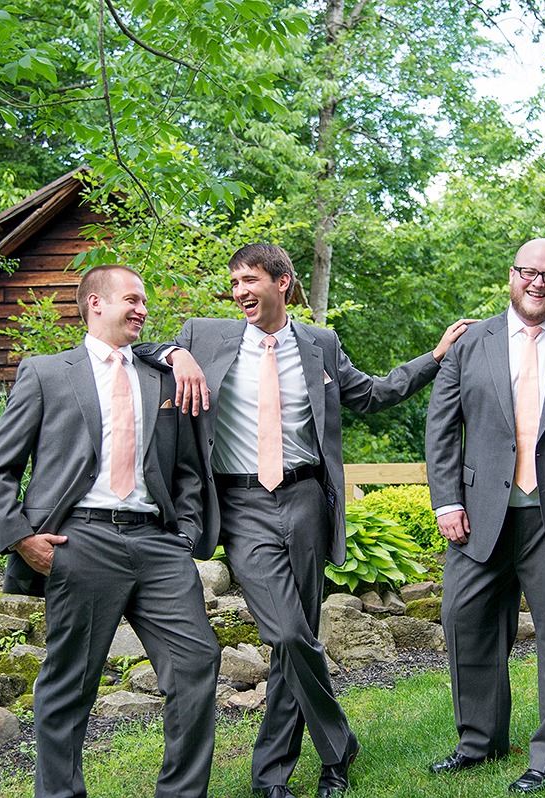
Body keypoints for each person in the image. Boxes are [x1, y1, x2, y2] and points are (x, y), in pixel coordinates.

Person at [136, 243, 472, 798]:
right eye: (235, 282)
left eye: (250, 280)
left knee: (298, 640)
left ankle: (273, 776)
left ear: (283, 282)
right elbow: (138, 350)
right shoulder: (204, 334)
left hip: (306, 499)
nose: (240, 291)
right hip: (241, 504)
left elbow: (370, 394)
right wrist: (175, 353)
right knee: (288, 632)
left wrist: (434, 358)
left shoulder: (319, 343)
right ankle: (339, 744)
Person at [0, 265, 220, 798]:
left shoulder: (162, 377)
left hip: (158, 545)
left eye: (144, 301)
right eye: (132, 299)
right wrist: (21, 536)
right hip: (80, 543)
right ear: (95, 304)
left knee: (197, 662)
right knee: (69, 685)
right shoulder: (46, 372)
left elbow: (184, 469)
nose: (142, 309)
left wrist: (186, 532)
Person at [424, 238, 545, 794]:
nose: (538, 283)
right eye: (528, 273)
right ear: (511, 276)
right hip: (478, 517)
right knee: (467, 626)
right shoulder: (469, 344)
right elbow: (441, 427)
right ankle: (478, 742)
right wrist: (446, 500)